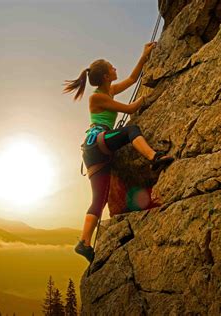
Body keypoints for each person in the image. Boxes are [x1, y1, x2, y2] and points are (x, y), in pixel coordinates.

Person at [62, 42, 174, 263]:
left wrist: (144, 56)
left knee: (100, 199)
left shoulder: (108, 91)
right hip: (98, 142)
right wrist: (148, 97)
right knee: (131, 130)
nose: (115, 68)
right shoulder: (98, 97)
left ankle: (84, 243)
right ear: (105, 76)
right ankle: (153, 157)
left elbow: (133, 80)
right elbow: (132, 109)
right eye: (112, 68)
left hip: (95, 150)